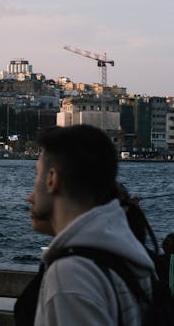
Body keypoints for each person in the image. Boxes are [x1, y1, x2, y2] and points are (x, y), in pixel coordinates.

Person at [27, 124, 155, 326]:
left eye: (37, 173)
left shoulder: (70, 274)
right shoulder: (128, 257)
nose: (30, 193)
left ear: (52, 179)